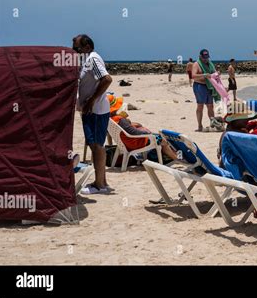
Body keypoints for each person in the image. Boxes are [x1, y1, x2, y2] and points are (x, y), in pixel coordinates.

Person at [73, 34, 113, 194]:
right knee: (94, 145)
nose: (74, 51)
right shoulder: (86, 61)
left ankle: (99, 185)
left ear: (87, 47)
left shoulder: (93, 60)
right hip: (91, 111)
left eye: (77, 48)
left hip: (95, 111)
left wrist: (90, 100)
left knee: (97, 146)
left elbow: (107, 79)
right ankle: (102, 181)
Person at [110, 111, 178, 162]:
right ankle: (176, 158)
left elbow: (129, 129)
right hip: (136, 143)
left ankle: (173, 155)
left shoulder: (110, 120)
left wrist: (130, 123)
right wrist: (147, 132)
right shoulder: (120, 120)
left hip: (124, 143)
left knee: (155, 135)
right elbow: (135, 133)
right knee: (162, 139)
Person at [192, 49, 221, 131]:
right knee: (200, 106)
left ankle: (213, 124)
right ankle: (199, 126)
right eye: (204, 57)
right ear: (200, 56)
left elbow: (214, 73)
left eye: (207, 57)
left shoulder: (210, 64)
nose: (205, 59)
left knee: (210, 106)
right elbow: (193, 76)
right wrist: (204, 75)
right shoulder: (196, 64)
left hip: (209, 87)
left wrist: (217, 74)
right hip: (199, 86)